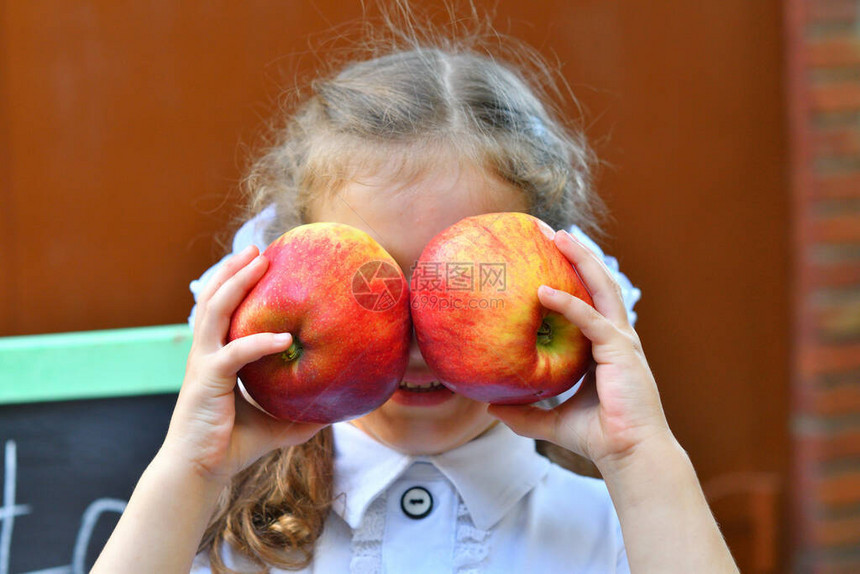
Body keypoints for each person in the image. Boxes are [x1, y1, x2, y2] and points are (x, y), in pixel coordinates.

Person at [93, 23, 739, 574]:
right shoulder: (216, 535)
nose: (417, 339)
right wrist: (191, 473)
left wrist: (638, 454)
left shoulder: (624, 531)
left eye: (461, 286)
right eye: (375, 285)